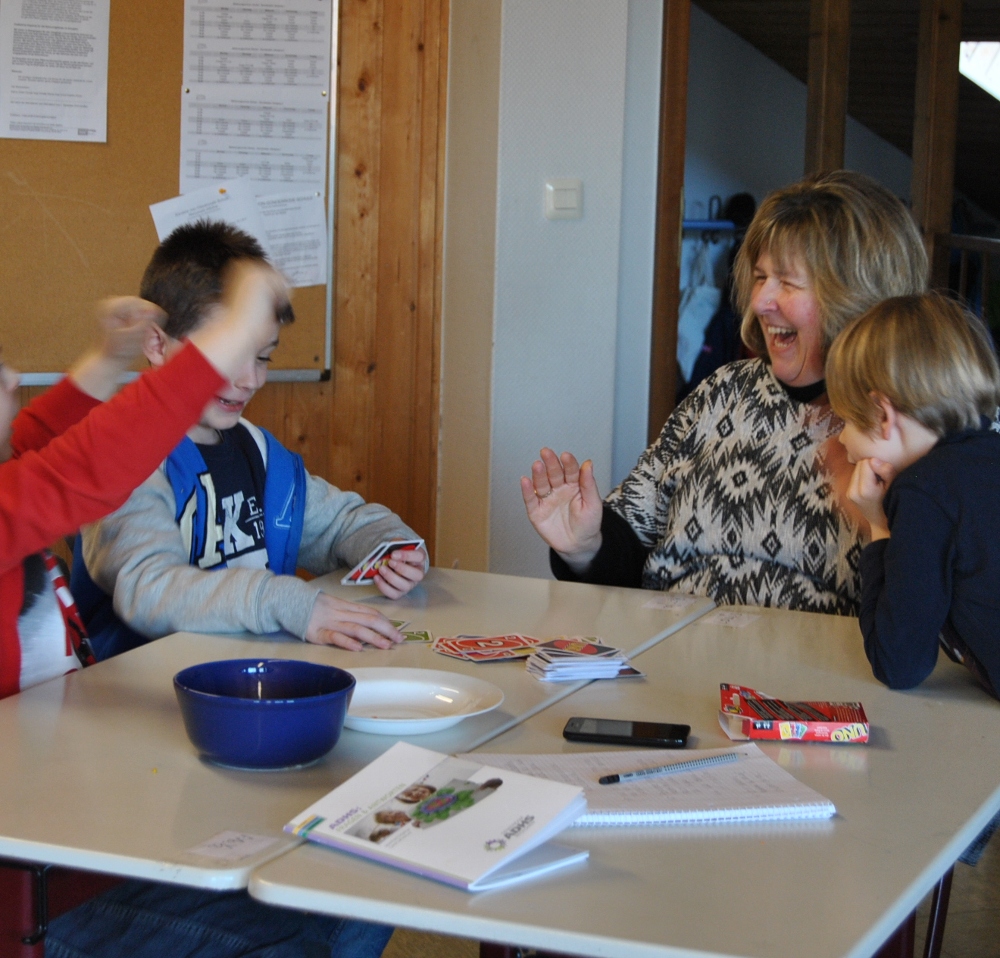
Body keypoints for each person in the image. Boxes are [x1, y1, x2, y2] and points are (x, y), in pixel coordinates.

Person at [0, 265, 394, 957]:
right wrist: (231, 331)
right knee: (322, 922)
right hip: (31, 880)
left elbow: (37, 440)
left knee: (361, 886)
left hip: (72, 811)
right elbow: (81, 470)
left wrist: (107, 360)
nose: (12, 378)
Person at [522, 171, 929, 615]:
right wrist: (585, 546)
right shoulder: (723, 390)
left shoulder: (908, 426)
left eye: (788, 282)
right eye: (760, 277)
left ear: (858, 295)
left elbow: (924, 612)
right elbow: (633, 544)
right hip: (673, 644)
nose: (760, 302)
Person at [76, 221, 427, 659]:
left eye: (263, 357)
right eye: (227, 355)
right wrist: (280, 601)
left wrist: (391, 547)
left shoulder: (256, 450)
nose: (251, 379)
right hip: (145, 690)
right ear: (157, 344)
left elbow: (338, 524)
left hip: (248, 678)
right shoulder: (124, 455)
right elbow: (150, 588)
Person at [826, 292, 1000, 696]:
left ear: (883, 415)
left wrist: (879, 527)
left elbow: (899, 663)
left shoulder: (925, 492)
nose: (842, 438)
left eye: (846, 419)